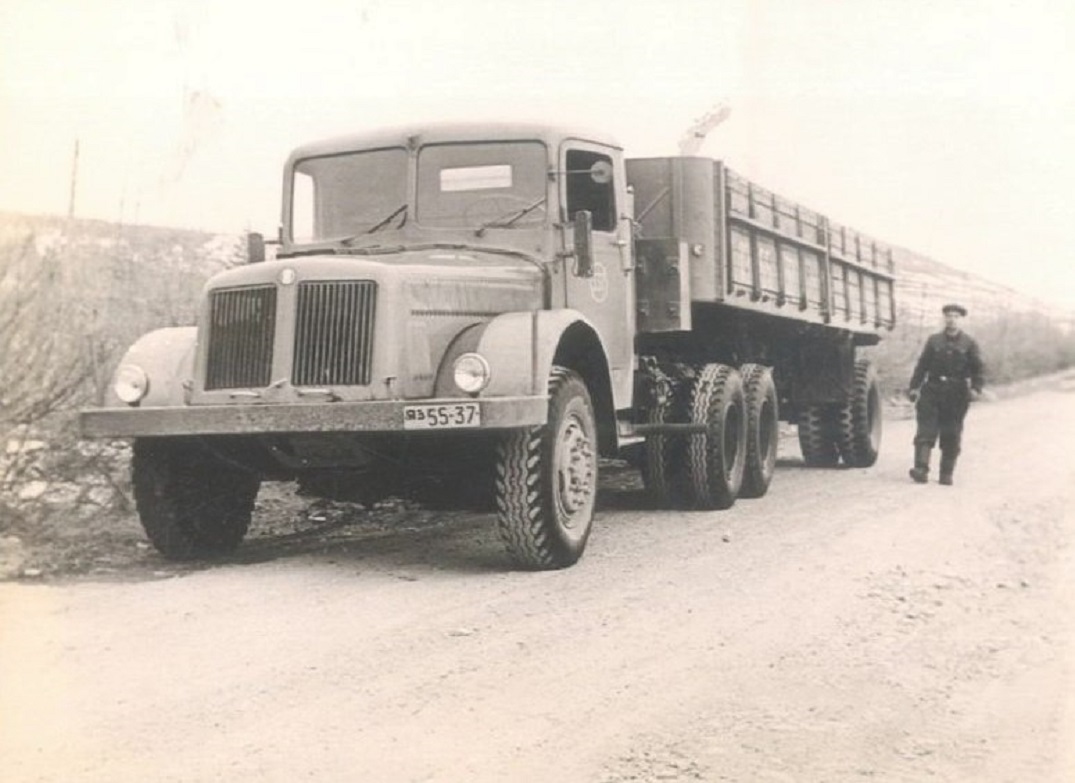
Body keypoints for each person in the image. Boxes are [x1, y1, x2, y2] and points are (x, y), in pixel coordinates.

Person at [907, 303, 984, 485]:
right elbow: (922, 365)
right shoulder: (934, 341)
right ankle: (921, 469)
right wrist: (914, 387)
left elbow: (978, 369)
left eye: (956, 316)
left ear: (961, 320)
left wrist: (976, 388)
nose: (951, 319)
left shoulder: (969, 343)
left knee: (952, 432)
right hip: (932, 389)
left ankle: (946, 473)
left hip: (956, 393)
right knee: (925, 429)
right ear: (944, 318)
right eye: (948, 315)